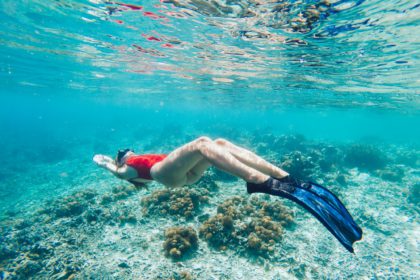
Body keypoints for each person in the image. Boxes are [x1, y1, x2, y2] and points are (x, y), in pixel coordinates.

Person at [93, 136, 362, 252]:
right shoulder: (127, 170)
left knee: (217, 144)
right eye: (124, 153)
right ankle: (259, 180)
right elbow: (118, 173)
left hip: (183, 175)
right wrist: (107, 164)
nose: (127, 152)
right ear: (122, 159)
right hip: (166, 176)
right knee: (201, 143)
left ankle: (282, 177)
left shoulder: (135, 159)